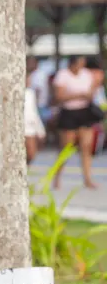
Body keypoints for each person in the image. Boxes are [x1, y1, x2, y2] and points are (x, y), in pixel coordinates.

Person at [52, 55, 100, 190]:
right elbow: (58, 96)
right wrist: (78, 95)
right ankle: (57, 177)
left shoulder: (86, 74)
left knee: (86, 147)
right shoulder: (63, 75)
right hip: (69, 113)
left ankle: (88, 178)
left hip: (84, 111)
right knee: (66, 148)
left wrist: (93, 89)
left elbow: (92, 91)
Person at [25, 64, 46, 165]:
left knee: (31, 153)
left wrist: (40, 130)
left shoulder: (30, 93)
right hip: (20, 126)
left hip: (30, 126)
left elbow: (34, 111)